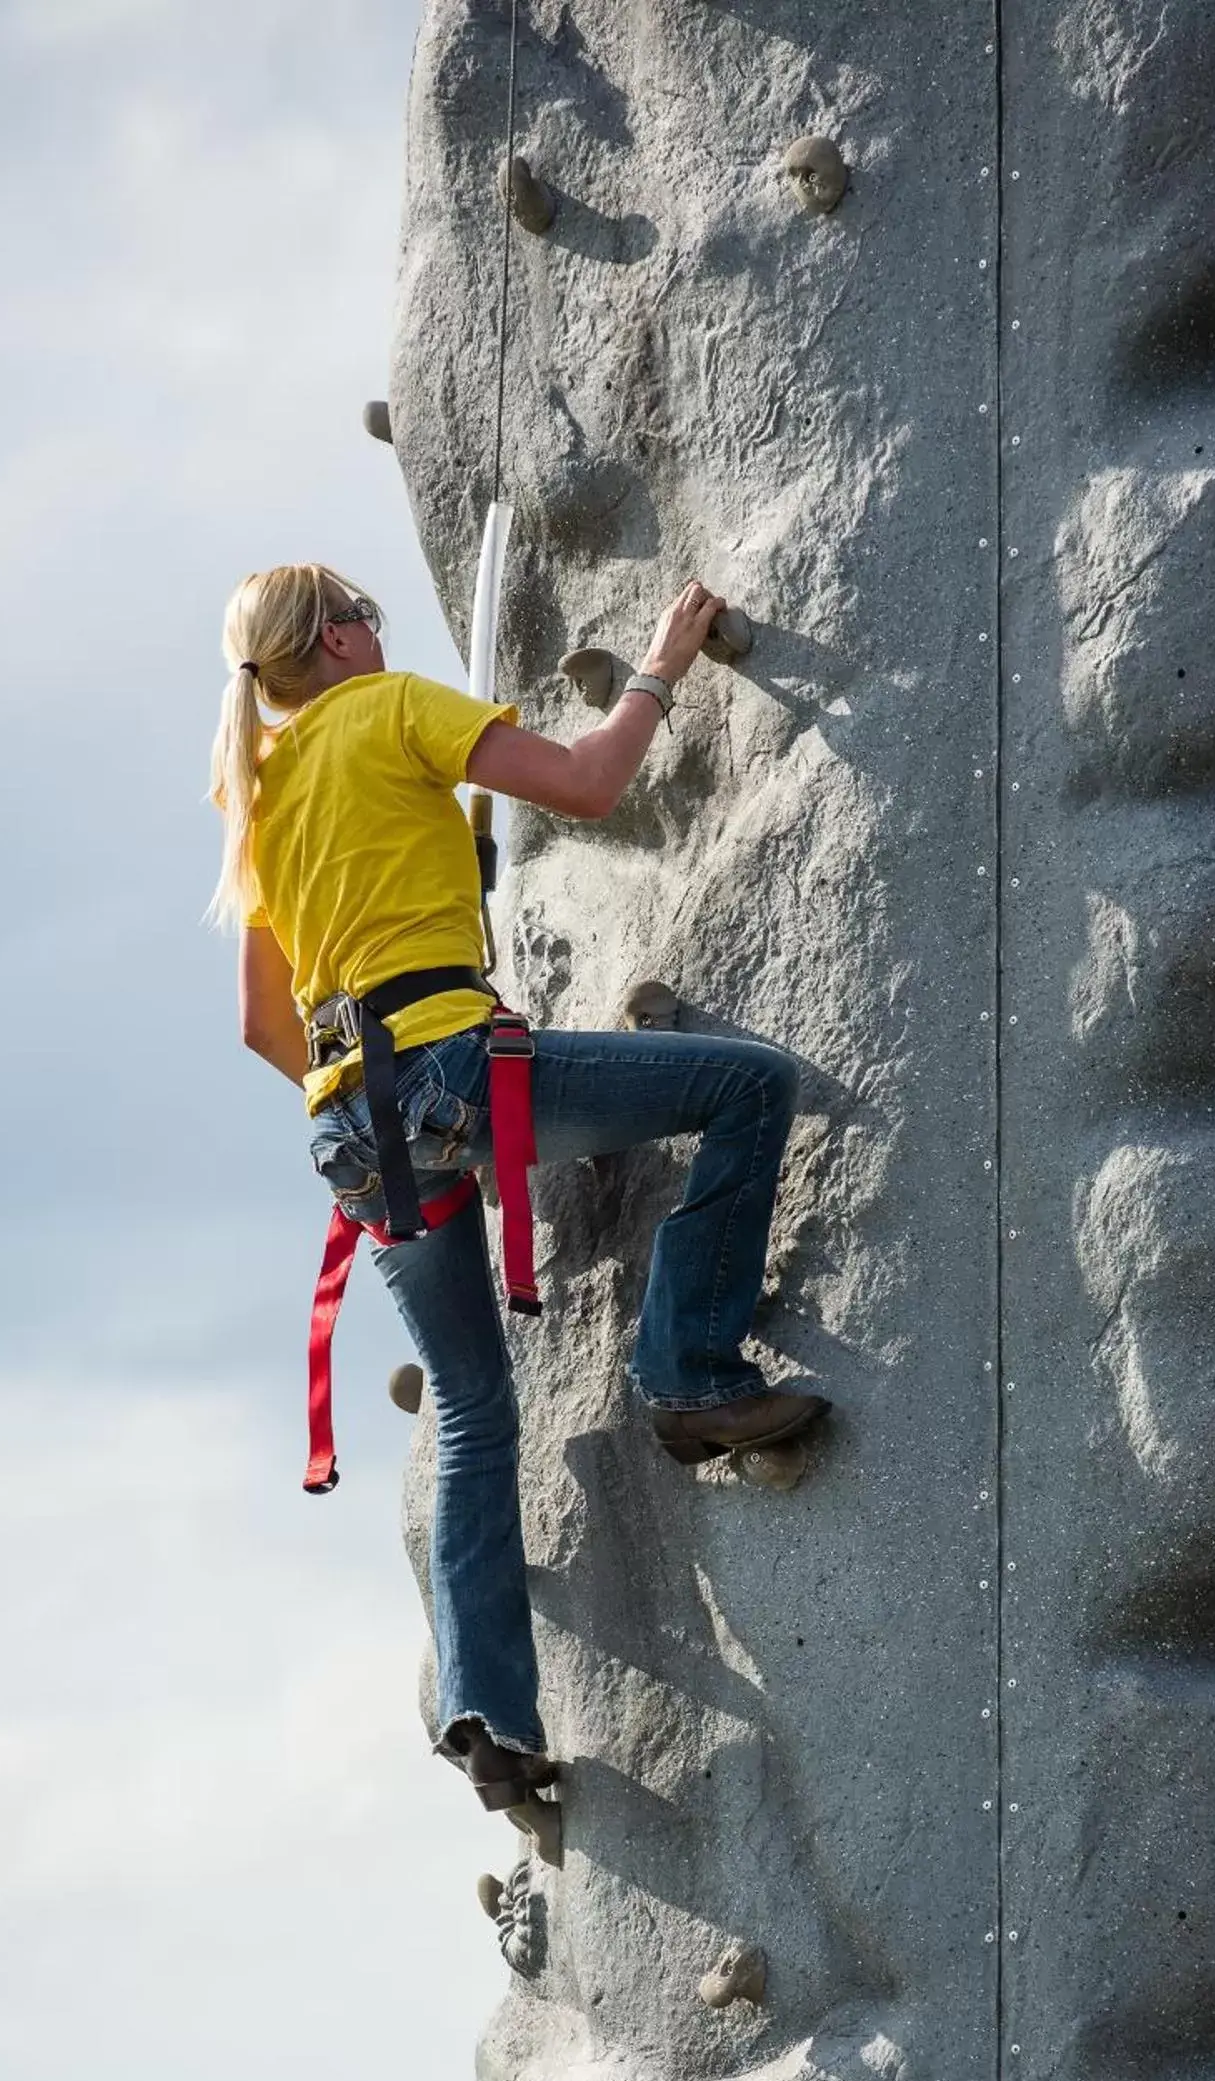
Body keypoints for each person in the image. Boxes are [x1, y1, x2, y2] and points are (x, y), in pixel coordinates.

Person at [208, 561, 828, 1815]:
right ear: (337, 636)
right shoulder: (389, 711)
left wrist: (383, 1090)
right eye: (369, 616)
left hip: (353, 1127)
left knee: (473, 1410)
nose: (380, 631)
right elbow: (593, 784)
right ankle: (692, 1370)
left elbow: (263, 1026)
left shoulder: (260, 795)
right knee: (746, 1089)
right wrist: (661, 665)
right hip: (449, 1070)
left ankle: (485, 1709)